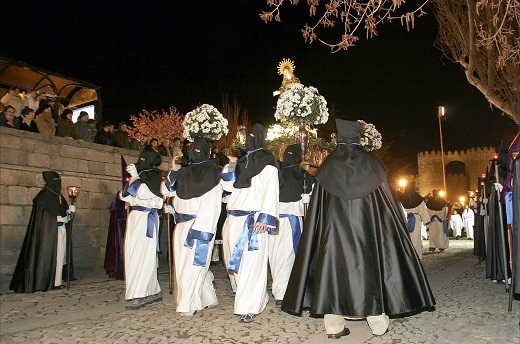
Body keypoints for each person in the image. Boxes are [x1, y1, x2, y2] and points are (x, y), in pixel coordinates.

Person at [281, 119, 435, 339]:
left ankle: (333, 325)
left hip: (333, 232)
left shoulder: (329, 165)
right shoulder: (371, 164)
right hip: (366, 229)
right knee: (369, 267)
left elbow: (318, 204)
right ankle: (378, 323)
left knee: (333, 269)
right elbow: (387, 202)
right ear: (358, 137)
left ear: (340, 137)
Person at [220, 123, 280, 323]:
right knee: (234, 262)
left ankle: (249, 306)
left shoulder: (268, 160)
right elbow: (228, 185)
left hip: (253, 221)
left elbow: (271, 189)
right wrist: (231, 164)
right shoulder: (243, 160)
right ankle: (254, 297)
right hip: (233, 219)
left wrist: (265, 218)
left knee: (252, 264)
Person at [162, 138, 221, 316]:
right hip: (182, 226)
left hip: (198, 227)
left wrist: (203, 231)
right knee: (186, 266)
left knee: (193, 266)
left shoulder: (211, 174)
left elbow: (212, 206)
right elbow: (166, 191)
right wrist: (174, 169)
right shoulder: (185, 172)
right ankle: (208, 297)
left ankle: (188, 303)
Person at [10, 171, 76, 293]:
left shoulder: (60, 197)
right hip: (48, 236)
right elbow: (45, 219)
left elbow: (66, 217)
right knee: (49, 257)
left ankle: (57, 281)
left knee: (60, 256)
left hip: (60, 233)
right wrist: (58, 219)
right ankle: (45, 281)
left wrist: (70, 212)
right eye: (56, 180)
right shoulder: (42, 197)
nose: (58, 183)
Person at [268, 144, 314, 305]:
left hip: (273, 221)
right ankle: (282, 291)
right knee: (286, 257)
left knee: (275, 256)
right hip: (291, 221)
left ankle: (280, 288)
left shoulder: (276, 174)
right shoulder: (304, 176)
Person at [119, 150, 164, 309]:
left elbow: (143, 193)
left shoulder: (154, 178)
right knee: (133, 255)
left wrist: (135, 177)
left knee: (143, 256)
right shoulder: (141, 178)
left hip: (147, 220)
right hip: (135, 219)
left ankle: (141, 292)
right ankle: (151, 289)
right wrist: (134, 178)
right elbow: (123, 196)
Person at [399, 181, 428, 259]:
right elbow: (423, 209)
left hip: (405, 219)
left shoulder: (401, 197)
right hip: (416, 218)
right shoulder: (418, 197)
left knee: (407, 236)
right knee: (416, 237)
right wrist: (426, 221)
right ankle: (415, 254)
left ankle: (411, 254)